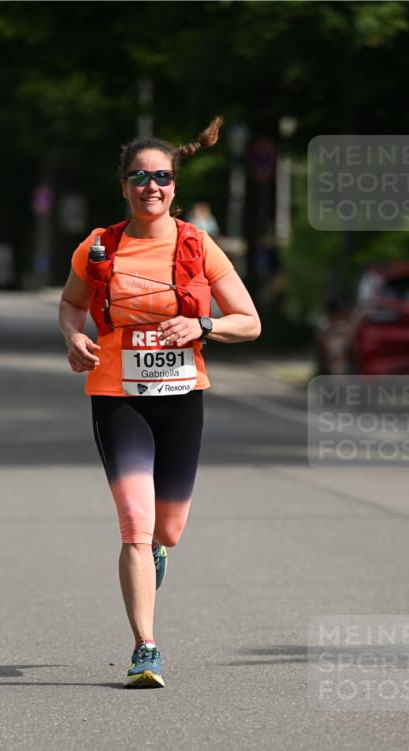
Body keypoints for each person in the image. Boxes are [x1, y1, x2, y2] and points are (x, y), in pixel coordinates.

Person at [59, 116, 261, 689]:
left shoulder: (198, 245)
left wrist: (201, 326)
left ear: (175, 185)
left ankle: (156, 556)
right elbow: (71, 306)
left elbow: (250, 323)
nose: (152, 186)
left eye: (162, 177)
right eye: (140, 176)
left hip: (180, 397)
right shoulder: (98, 247)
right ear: (123, 186)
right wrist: (74, 336)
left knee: (167, 531)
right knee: (135, 525)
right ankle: (145, 647)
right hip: (116, 395)